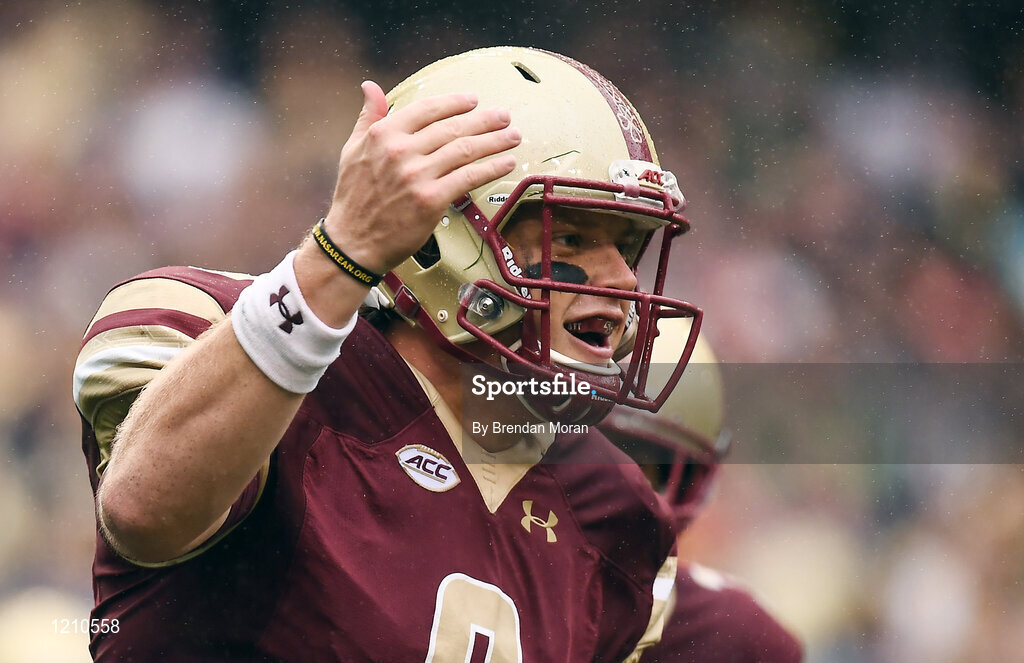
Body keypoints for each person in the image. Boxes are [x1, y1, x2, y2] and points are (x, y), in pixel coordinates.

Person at [73, 46, 705, 661]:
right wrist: (340, 254)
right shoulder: (212, 326)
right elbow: (145, 512)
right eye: (570, 234)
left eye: (629, 246)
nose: (622, 283)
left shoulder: (616, 513)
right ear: (440, 235)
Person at [600, 319, 804, 663]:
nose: (615, 486)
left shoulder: (732, 636)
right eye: (590, 455)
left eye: (640, 466)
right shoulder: (494, 585)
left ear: (688, 482)